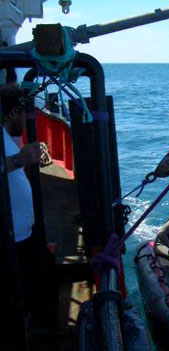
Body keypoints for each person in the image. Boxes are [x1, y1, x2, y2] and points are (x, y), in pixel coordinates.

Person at [1, 84, 57, 341]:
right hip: (11, 238)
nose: (27, 119)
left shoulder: (4, 135)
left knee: (42, 276)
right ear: (13, 112)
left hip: (24, 232)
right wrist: (19, 161)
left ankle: (40, 327)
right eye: (24, 112)